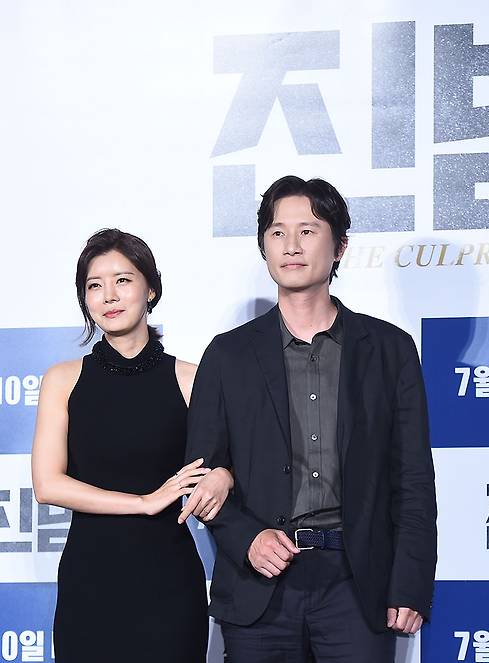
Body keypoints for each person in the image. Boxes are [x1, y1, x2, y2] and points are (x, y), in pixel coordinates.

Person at [182, 176, 437, 662]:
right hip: (260, 582)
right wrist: (247, 539)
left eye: (308, 230)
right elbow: (200, 474)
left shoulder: (390, 350)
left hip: (356, 584)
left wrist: (410, 581)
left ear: (339, 246)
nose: (291, 246)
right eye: (277, 232)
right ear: (264, 246)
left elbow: (413, 479)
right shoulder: (228, 355)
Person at [31, 229, 233, 663]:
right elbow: (47, 485)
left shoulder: (191, 378)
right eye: (95, 285)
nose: (109, 295)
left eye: (122, 280)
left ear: (151, 289)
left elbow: (230, 465)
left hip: (169, 580)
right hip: (90, 580)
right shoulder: (62, 380)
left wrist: (223, 476)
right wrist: (143, 502)